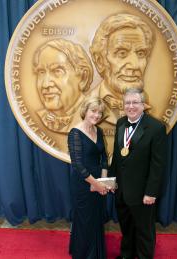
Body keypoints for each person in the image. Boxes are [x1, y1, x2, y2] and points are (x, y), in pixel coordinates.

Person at [109, 87, 167, 259]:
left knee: (144, 231)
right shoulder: (120, 123)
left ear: (143, 105)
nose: (131, 106)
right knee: (126, 227)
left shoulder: (156, 128)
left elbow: (158, 165)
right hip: (121, 190)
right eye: (127, 102)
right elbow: (117, 157)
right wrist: (111, 182)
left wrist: (151, 192)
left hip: (143, 193)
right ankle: (127, 255)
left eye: (135, 102)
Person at [90, 13, 154, 125]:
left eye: (140, 53)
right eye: (122, 53)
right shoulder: (87, 105)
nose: (134, 65)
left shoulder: (149, 110)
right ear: (100, 61)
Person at [68, 96, 109, 259]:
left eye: (100, 112)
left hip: (98, 181)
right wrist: (95, 184)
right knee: (84, 220)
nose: (97, 115)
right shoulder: (75, 133)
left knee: (96, 219)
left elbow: (104, 157)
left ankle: (96, 253)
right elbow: (77, 165)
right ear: (85, 111)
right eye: (93, 111)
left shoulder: (98, 130)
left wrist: (103, 181)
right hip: (83, 183)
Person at [33, 38, 93, 133]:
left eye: (57, 71)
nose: (45, 84)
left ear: (83, 78)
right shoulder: (39, 117)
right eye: (41, 72)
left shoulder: (95, 114)